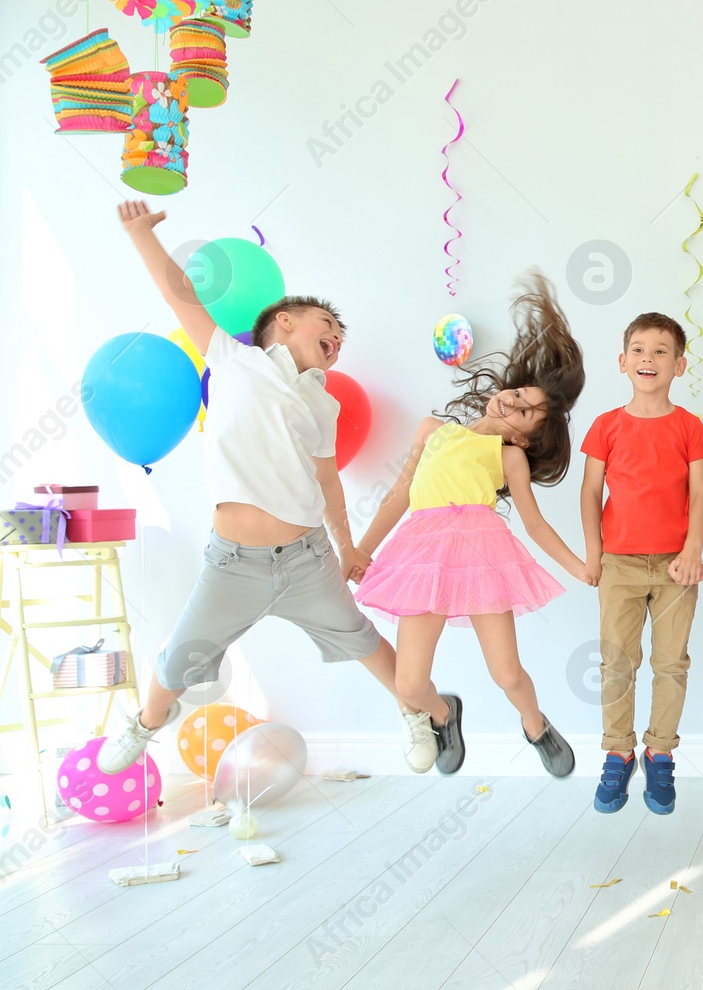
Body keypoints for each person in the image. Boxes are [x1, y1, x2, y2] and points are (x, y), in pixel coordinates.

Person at [98, 200, 445, 774]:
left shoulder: (322, 401)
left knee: (363, 640)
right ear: (284, 320)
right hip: (233, 563)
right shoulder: (231, 359)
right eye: (326, 325)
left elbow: (329, 481)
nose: (336, 336)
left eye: (340, 335)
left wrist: (348, 547)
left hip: (306, 558)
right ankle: (144, 724)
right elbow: (179, 294)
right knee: (182, 654)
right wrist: (141, 235)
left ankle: (415, 713)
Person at [354, 270, 589, 777]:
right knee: (410, 685)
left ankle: (536, 725)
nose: (514, 400)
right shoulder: (433, 430)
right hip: (421, 556)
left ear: (526, 440)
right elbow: (399, 496)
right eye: (518, 393)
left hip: (483, 558)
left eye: (526, 410)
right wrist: (360, 550)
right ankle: (444, 713)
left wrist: (581, 566)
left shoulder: (509, 459)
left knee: (507, 672)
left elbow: (537, 525)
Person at [579, 313, 703, 815]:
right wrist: (594, 554)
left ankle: (660, 752)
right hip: (619, 565)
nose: (647, 359)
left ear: (679, 365)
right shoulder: (606, 426)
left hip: (677, 566)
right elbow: (591, 493)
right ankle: (618, 751)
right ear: (621, 362)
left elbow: (700, 492)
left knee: (671, 662)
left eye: (660, 351)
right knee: (617, 662)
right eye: (638, 349)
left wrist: (693, 549)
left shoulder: (689, 427)